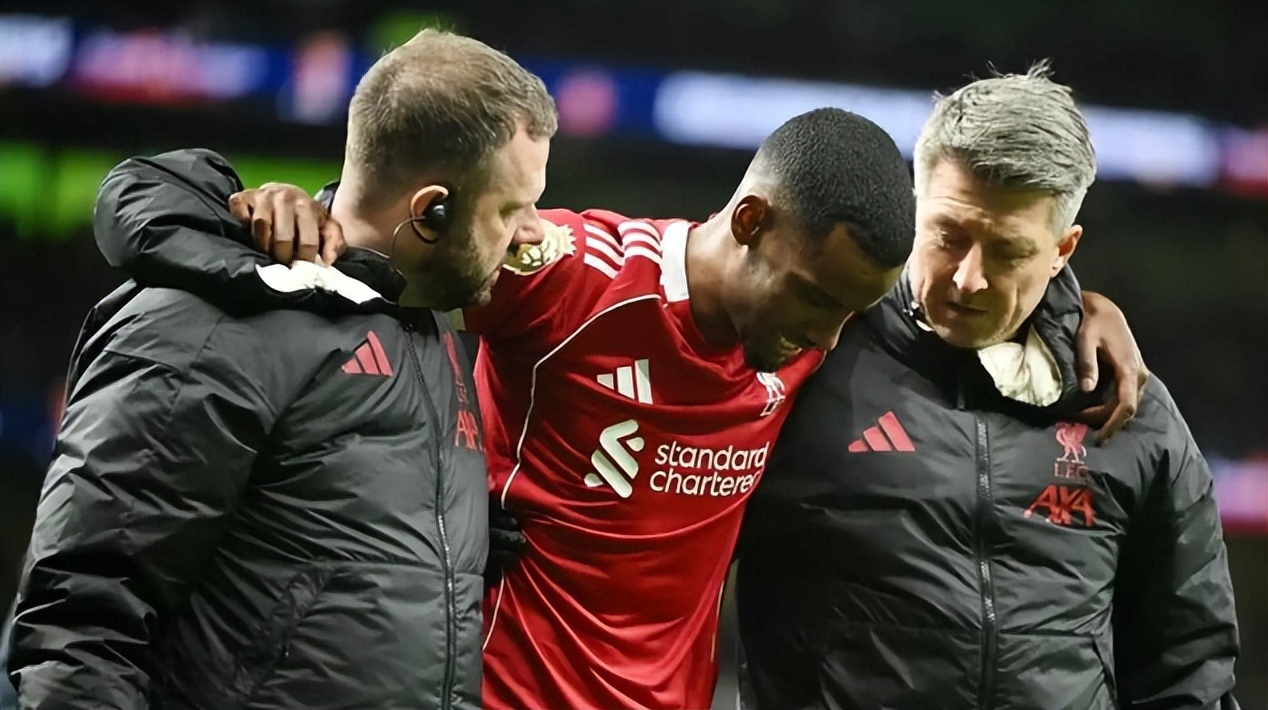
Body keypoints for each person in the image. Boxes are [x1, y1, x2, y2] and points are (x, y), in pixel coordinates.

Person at [88, 109, 1148, 709]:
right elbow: (388, 236)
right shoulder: (567, 275)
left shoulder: (815, 332)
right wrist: (272, 205)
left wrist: (1076, 308)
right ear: (749, 222)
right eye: (814, 302)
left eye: (849, 315)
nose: (829, 344)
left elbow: (971, 297)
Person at [7, 29, 557, 710]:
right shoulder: (214, 324)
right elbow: (83, 623)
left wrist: (453, 544)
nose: (532, 232)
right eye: (510, 208)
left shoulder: (421, 328)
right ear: (429, 211)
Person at [735, 63, 1240, 710]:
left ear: (1062, 250)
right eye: (948, 235)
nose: (968, 278)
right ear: (912, 207)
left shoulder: (1128, 408)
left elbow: (1189, 669)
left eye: (1007, 251)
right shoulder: (803, 362)